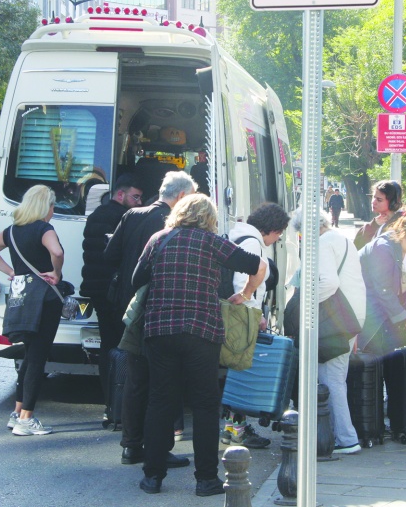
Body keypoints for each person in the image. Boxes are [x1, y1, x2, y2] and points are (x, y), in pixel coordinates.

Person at [135, 194, 268, 496]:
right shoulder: (213, 243)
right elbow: (259, 266)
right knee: (206, 404)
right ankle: (206, 479)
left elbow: (135, 280)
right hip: (202, 331)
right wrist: (246, 294)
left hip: (160, 330)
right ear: (209, 218)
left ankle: (153, 477)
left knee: (160, 401)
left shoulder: (159, 239)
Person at [104, 171, 196, 467]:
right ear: (181, 197)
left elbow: (109, 255)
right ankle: (159, 448)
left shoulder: (132, 214)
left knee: (136, 379)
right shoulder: (172, 226)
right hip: (160, 308)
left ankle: (131, 445)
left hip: (129, 307)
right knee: (163, 381)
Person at [0, 185, 64, 436]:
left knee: (29, 355)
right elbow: (56, 251)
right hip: (44, 299)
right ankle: (26, 418)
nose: (53, 210)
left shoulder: (12, 231)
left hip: (21, 296)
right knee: (38, 357)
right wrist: (56, 273)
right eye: (52, 205)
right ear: (46, 206)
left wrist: (10, 271)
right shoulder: (44, 228)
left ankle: (17, 412)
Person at [291, 208, 366, 455]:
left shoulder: (322, 243)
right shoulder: (342, 239)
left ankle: (346, 439)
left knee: (331, 380)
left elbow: (329, 283)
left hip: (334, 322)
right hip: (350, 318)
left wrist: (306, 306)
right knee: (333, 378)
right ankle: (331, 435)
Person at [221, 202, 290, 449]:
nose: (279, 237)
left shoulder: (238, 234)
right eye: (279, 232)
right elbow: (243, 283)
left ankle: (233, 428)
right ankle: (236, 430)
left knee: (236, 373)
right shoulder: (251, 243)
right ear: (271, 228)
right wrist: (256, 314)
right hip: (242, 318)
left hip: (233, 316)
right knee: (240, 373)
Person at [79, 174, 144, 418]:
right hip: (115, 291)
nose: (138, 202)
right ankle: (122, 400)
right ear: (120, 195)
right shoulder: (125, 218)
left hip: (96, 289)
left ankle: (109, 399)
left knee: (108, 344)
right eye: (135, 197)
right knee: (124, 344)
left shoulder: (96, 215)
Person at [359, 207, 406, 355]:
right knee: (376, 369)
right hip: (369, 319)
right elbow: (384, 292)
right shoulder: (382, 248)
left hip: (384, 318)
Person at [354, 180, 403, 250]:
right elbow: (357, 248)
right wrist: (373, 225)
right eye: (374, 197)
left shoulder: (402, 225)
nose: (373, 202)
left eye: (379, 200)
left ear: (393, 203)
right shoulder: (373, 224)